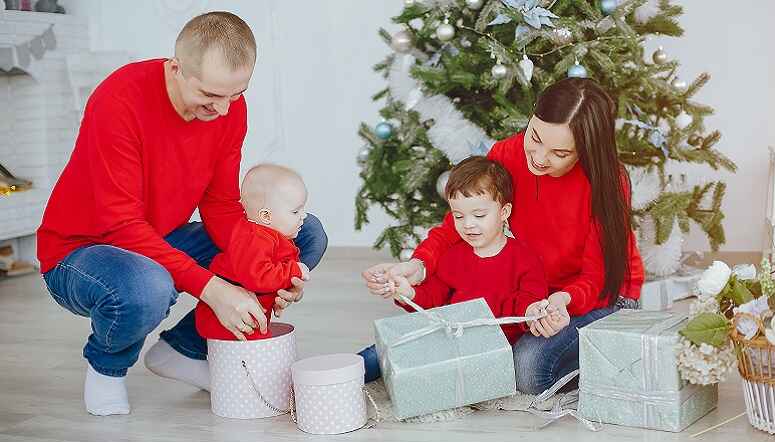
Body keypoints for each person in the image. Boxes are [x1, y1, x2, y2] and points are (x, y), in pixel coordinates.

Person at [37, 12, 327, 416]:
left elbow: (222, 205)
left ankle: (182, 350)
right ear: (176, 69)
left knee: (303, 233)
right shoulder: (118, 101)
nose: (224, 110)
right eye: (211, 95)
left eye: (236, 94)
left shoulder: (227, 108)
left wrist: (268, 266)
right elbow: (121, 225)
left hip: (159, 238)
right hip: (84, 252)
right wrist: (214, 289)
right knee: (147, 284)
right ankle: (107, 366)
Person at [363, 77, 643, 394]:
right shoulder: (507, 155)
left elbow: (597, 277)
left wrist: (562, 301)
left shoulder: (607, 181)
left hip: (599, 297)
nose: (538, 157)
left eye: (560, 153)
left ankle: (621, 357)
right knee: (461, 340)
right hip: (536, 293)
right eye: (535, 137)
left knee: (528, 370)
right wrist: (419, 265)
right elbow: (457, 225)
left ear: (585, 150)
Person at [358, 156, 549, 382]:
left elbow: (528, 303)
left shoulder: (525, 260)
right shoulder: (454, 256)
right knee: (382, 351)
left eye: (479, 215)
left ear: (504, 212)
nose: (468, 224)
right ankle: (338, 379)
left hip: (494, 349)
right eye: (458, 216)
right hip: (449, 339)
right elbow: (433, 298)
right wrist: (407, 292)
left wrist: (532, 311)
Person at [196, 164, 311, 341]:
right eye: (295, 211)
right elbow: (259, 277)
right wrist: (294, 271)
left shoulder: (273, 236)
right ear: (266, 216)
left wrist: (291, 285)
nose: (303, 215)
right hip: (230, 317)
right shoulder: (255, 240)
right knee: (254, 350)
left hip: (250, 314)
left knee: (256, 343)